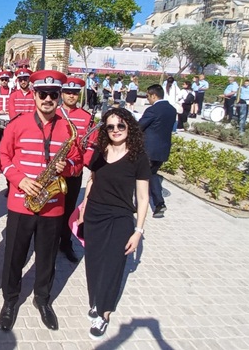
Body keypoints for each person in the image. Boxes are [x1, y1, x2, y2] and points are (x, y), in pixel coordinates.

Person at [0, 70, 82, 332]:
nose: (48, 99)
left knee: (46, 257)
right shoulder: (18, 124)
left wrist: (66, 168)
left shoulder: (68, 128)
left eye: (53, 94)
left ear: (59, 96)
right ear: (34, 94)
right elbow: (3, 155)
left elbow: (78, 162)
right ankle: (10, 300)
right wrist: (19, 179)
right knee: (14, 255)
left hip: (53, 204)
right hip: (21, 202)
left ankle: (42, 299)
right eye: (43, 93)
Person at [77, 108, 150, 339]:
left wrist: (138, 231)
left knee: (113, 266)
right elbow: (92, 182)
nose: (116, 130)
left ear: (129, 126)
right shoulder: (100, 151)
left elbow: (144, 197)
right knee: (94, 263)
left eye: (120, 125)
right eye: (110, 126)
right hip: (94, 215)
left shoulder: (138, 157)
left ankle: (105, 313)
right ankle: (96, 301)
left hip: (120, 218)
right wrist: (83, 210)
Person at [55, 77, 95, 263]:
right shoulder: (53, 113)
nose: (71, 96)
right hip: (53, 169)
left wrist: (81, 165)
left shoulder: (87, 118)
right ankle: (48, 240)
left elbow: (92, 144)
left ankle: (65, 241)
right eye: (68, 92)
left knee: (69, 208)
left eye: (75, 93)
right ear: (62, 94)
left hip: (73, 171)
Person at [138, 84, 177, 219]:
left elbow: (139, 126)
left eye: (148, 96)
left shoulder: (152, 110)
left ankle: (134, 204)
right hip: (162, 150)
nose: (148, 99)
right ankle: (159, 204)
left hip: (148, 149)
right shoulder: (172, 110)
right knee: (152, 174)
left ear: (154, 95)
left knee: (137, 175)